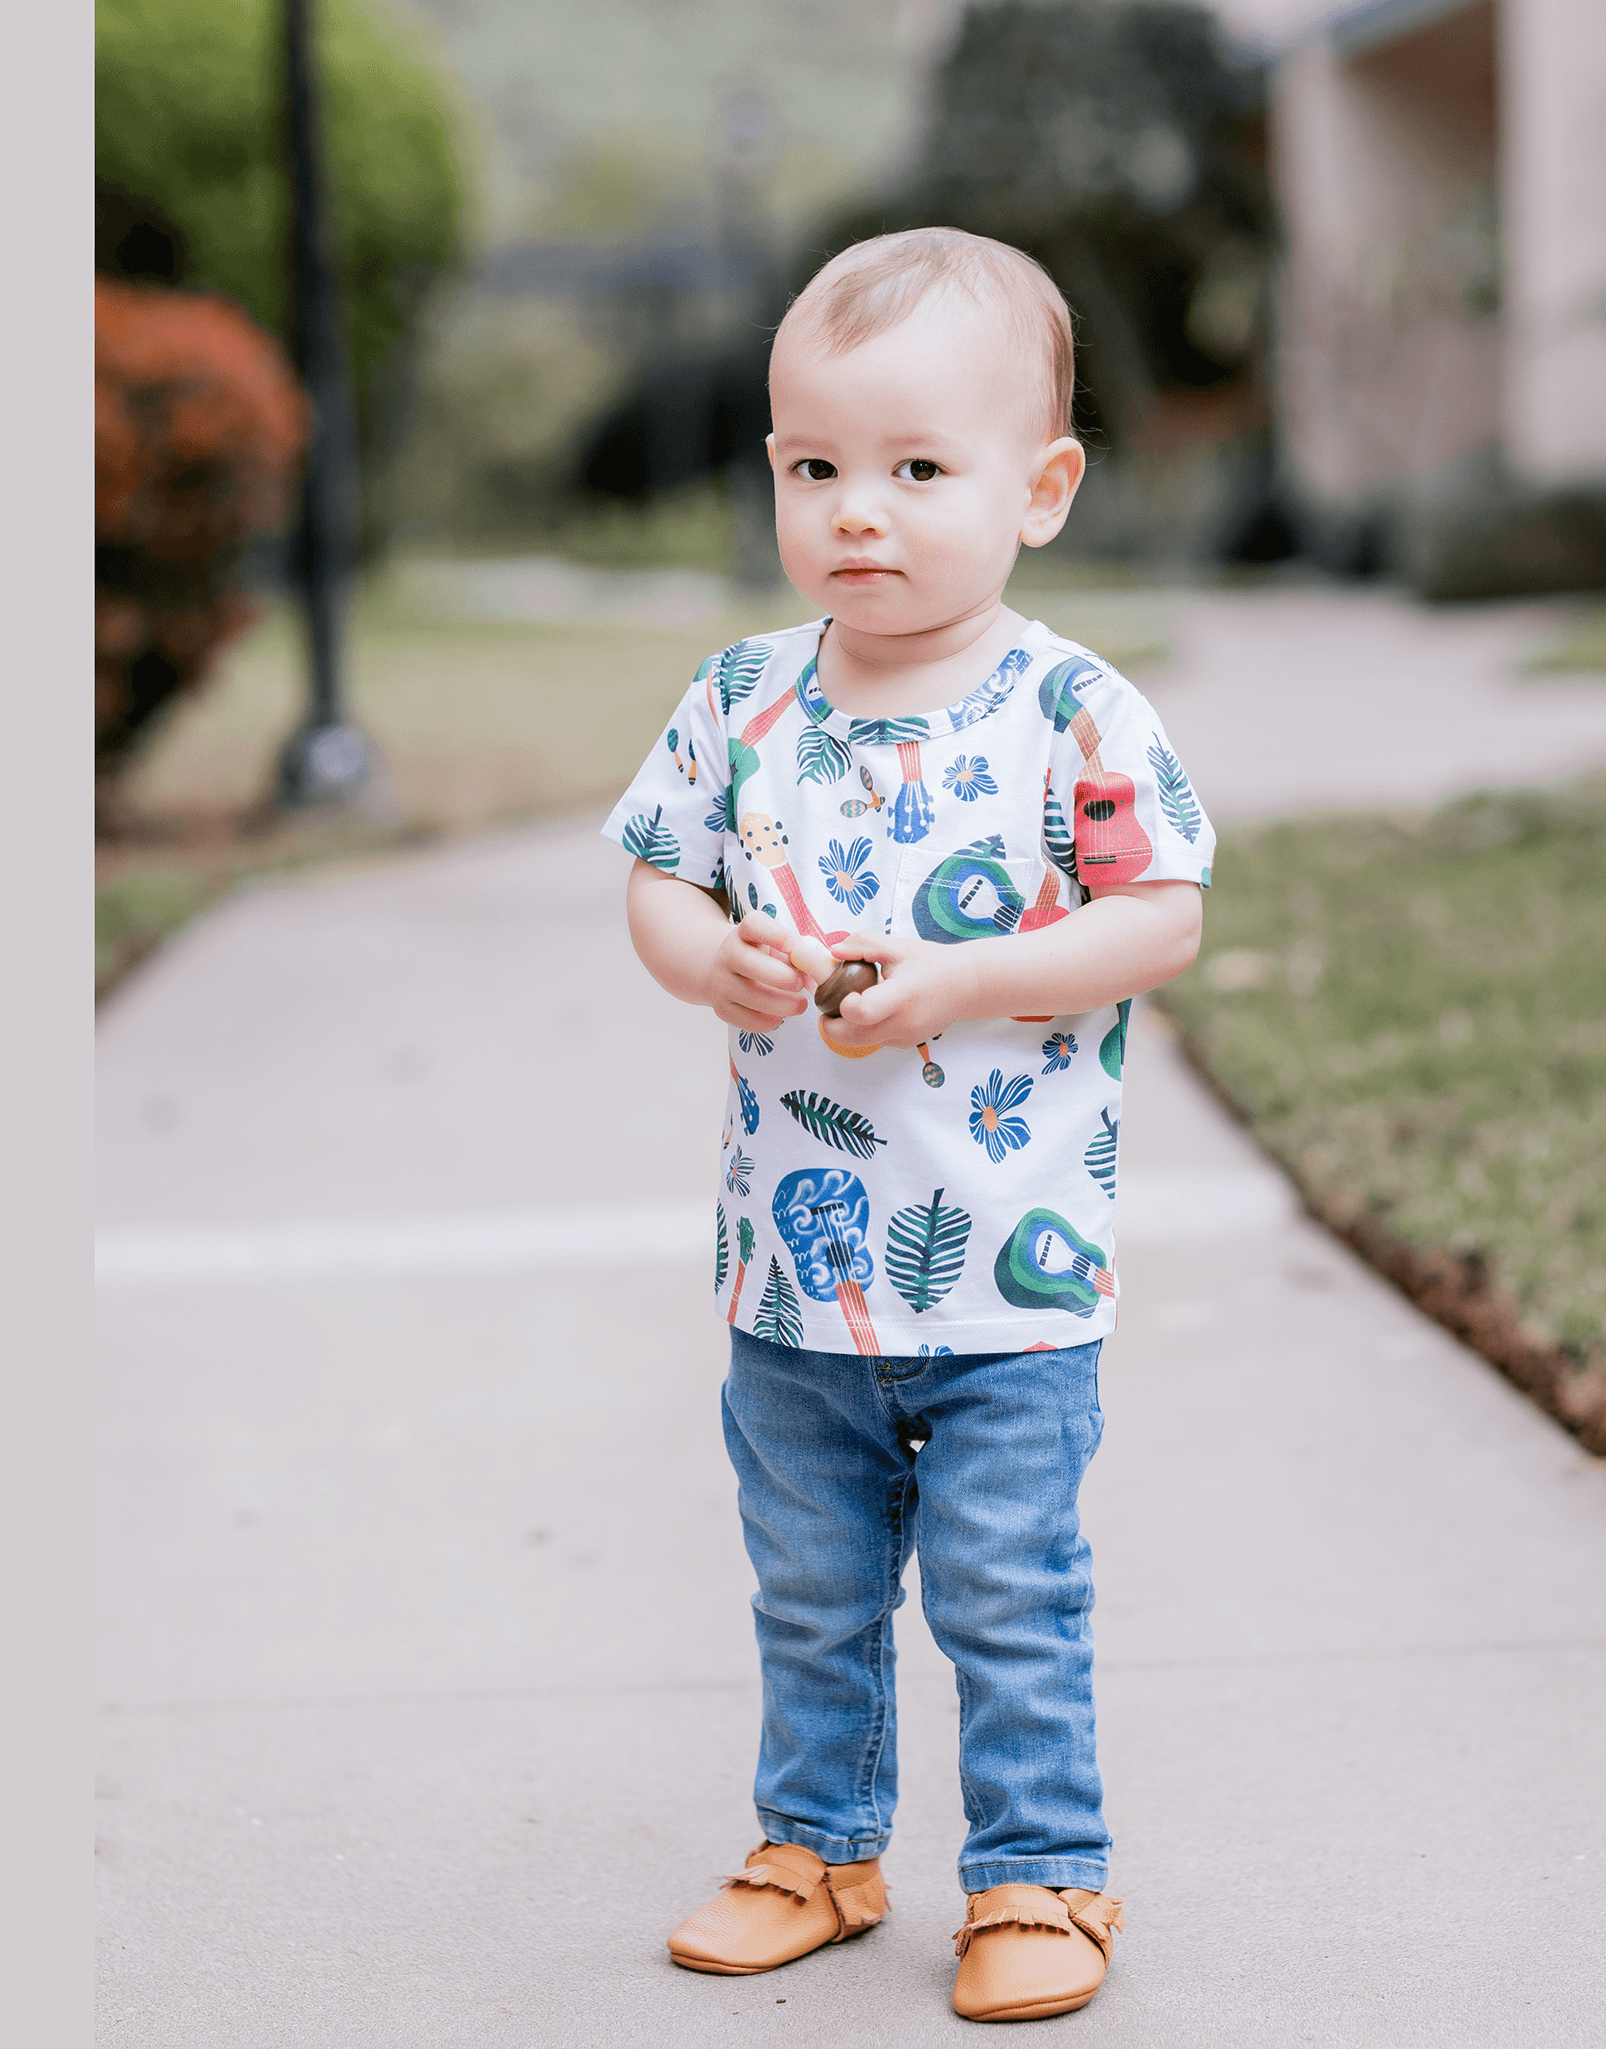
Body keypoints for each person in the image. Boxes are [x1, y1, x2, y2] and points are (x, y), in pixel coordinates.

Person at [604, 226, 1214, 2023]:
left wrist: (965, 980)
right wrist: (709, 959)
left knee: (1007, 1594)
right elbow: (658, 878)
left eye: (918, 470)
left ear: (1043, 490)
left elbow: (1160, 918)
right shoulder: (743, 700)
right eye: (814, 467)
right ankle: (817, 1847)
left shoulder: (1071, 713)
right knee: (809, 1588)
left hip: (1010, 1278)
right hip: (794, 1288)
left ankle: (1040, 1876)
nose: (856, 511)